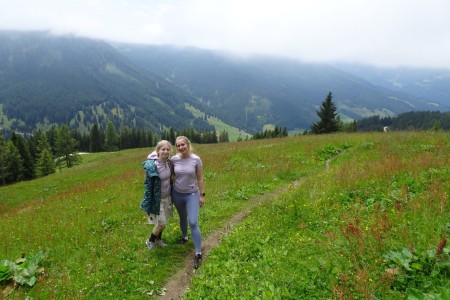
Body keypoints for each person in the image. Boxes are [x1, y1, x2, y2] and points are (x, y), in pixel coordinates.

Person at [171, 136, 205, 269]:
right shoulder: (174, 160)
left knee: (193, 222)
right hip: (177, 194)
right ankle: (185, 237)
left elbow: (200, 179)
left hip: (191, 194)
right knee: (182, 217)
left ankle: (198, 253)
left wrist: (202, 195)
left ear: (188, 144)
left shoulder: (196, 159)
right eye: (178, 145)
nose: (180, 148)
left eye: (182, 145)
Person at [140, 140, 174, 250]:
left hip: (167, 197)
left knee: (164, 220)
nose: (165, 151)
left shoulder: (168, 163)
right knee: (161, 224)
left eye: (167, 149)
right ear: (157, 151)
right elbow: (148, 187)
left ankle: (158, 240)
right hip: (157, 199)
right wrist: (147, 205)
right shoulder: (152, 166)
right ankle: (150, 240)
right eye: (163, 149)